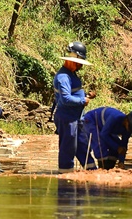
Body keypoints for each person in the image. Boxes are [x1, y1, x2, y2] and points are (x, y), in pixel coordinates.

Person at [53, 41, 97, 173]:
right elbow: (65, 99)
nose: (80, 67)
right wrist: (82, 101)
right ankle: (65, 175)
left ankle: (92, 170)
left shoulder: (71, 75)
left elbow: (73, 94)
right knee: (68, 147)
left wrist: (86, 96)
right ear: (73, 61)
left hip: (76, 117)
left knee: (83, 145)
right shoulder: (63, 77)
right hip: (67, 118)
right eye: (79, 63)